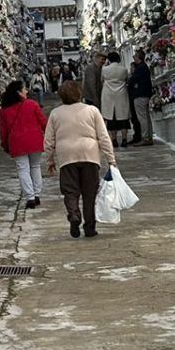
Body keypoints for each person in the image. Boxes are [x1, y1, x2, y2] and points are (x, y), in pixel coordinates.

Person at [44, 81, 117, 238]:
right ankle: (90, 228)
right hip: (89, 155)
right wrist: (111, 159)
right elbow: (103, 136)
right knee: (90, 194)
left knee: (70, 191)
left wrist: (50, 160)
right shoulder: (92, 110)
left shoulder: (55, 113)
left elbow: (49, 141)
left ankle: (74, 214)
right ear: (79, 93)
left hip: (66, 157)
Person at [0, 80, 48, 208]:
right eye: (24, 89)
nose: (26, 91)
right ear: (19, 92)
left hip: (17, 142)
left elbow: (4, 131)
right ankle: (37, 194)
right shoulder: (32, 105)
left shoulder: (5, 110)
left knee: (23, 169)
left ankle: (29, 197)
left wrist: (5, 144)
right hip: (35, 140)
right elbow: (43, 122)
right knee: (35, 167)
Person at [100, 51, 132, 147]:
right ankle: (124, 139)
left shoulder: (104, 69)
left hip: (108, 94)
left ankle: (113, 139)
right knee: (123, 118)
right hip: (121, 94)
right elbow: (126, 80)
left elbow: (102, 80)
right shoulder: (124, 70)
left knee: (111, 118)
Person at [129, 52, 154, 146]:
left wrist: (131, 77)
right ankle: (148, 136)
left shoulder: (140, 68)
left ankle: (146, 138)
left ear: (139, 57)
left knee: (142, 117)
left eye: (134, 56)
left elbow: (132, 80)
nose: (133, 57)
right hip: (145, 94)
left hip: (140, 95)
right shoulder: (144, 67)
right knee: (146, 117)